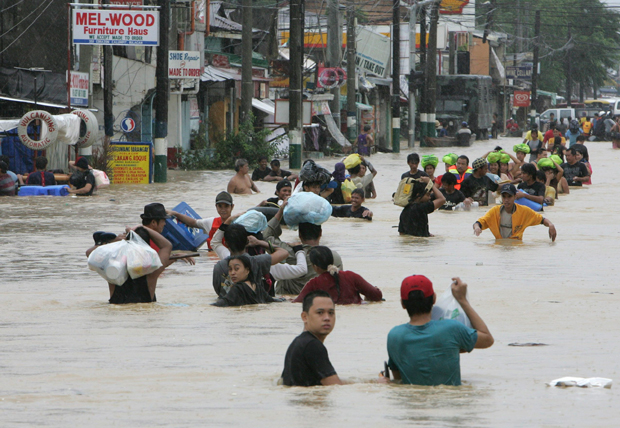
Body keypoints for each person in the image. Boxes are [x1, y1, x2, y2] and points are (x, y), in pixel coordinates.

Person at [385, 275, 493, 386]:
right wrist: (462, 300)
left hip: (414, 402)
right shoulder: (452, 329)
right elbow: (487, 339)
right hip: (450, 400)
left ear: (402, 304)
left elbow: (399, 380)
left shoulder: (394, 336)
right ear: (434, 299)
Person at [264, 203, 343, 295]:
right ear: (320, 233)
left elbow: (266, 236)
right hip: (319, 300)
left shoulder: (286, 252)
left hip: (288, 300)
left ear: (299, 234)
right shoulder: (333, 257)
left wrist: (280, 211)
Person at [86, 226, 172, 304]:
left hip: (117, 315)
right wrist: (142, 227)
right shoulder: (152, 272)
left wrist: (113, 242)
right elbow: (167, 246)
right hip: (142, 315)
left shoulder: (112, 269)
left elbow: (90, 254)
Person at [211, 223, 292, 297]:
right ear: (247, 241)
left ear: (226, 244)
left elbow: (218, 291)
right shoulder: (258, 261)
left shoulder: (218, 267)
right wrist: (260, 242)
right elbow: (284, 252)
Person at [281, 290, 343, 386]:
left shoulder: (297, 342)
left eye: (331, 313)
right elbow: (335, 386)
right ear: (305, 317)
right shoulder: (313, 346)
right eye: (320, 312)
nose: (327, 318)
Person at [293, 246, 382, 305]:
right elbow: (377, 296)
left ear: (315, 267)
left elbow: (297, 303)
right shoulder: (351, 276)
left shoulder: (313, 284)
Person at [473, 184, 557, 241]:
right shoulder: (494, 211)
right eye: (504, 197)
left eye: (509, 196)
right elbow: (479, 222)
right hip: (499, 248)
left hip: (517, 247)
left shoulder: (524, 211)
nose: (506, 200)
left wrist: (551, 225)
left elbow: (542, 220)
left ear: (515, 197)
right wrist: (477, 228)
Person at [168, 191, 234, 250]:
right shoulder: (211, 222)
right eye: (220, 206)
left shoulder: (238, 224)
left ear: (232, 207)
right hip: (212, 260)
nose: (223, 209)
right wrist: (175, 213)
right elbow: (193, 222)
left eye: (226, 206)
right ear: (216, 206)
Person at [212, 255, 286, 307]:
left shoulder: (237, 288)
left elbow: (224, 302)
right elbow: (270, 300)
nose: (232, 273)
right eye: (230, 269)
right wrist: (284, 299)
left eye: (236, 269)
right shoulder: (257, 286)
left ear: (247, 270)